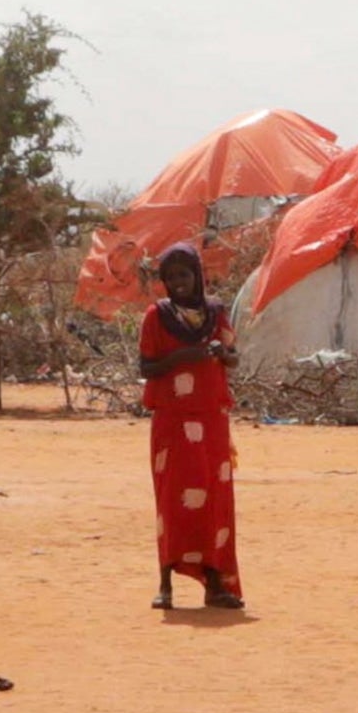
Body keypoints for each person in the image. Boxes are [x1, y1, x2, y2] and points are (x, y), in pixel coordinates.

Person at [138, 241, 242, 611]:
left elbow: (233, 358)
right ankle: (165, 582)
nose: (178, 282)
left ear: (197, 275)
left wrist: (220, 354)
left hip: (211, 419)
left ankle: (215, 583)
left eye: (184, 275)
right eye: (171, 277)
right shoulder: (156, 316)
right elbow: (146, 367)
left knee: (214, 499)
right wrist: (182, 356)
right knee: (172, 499)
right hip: (173, 420)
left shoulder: (216, 312)